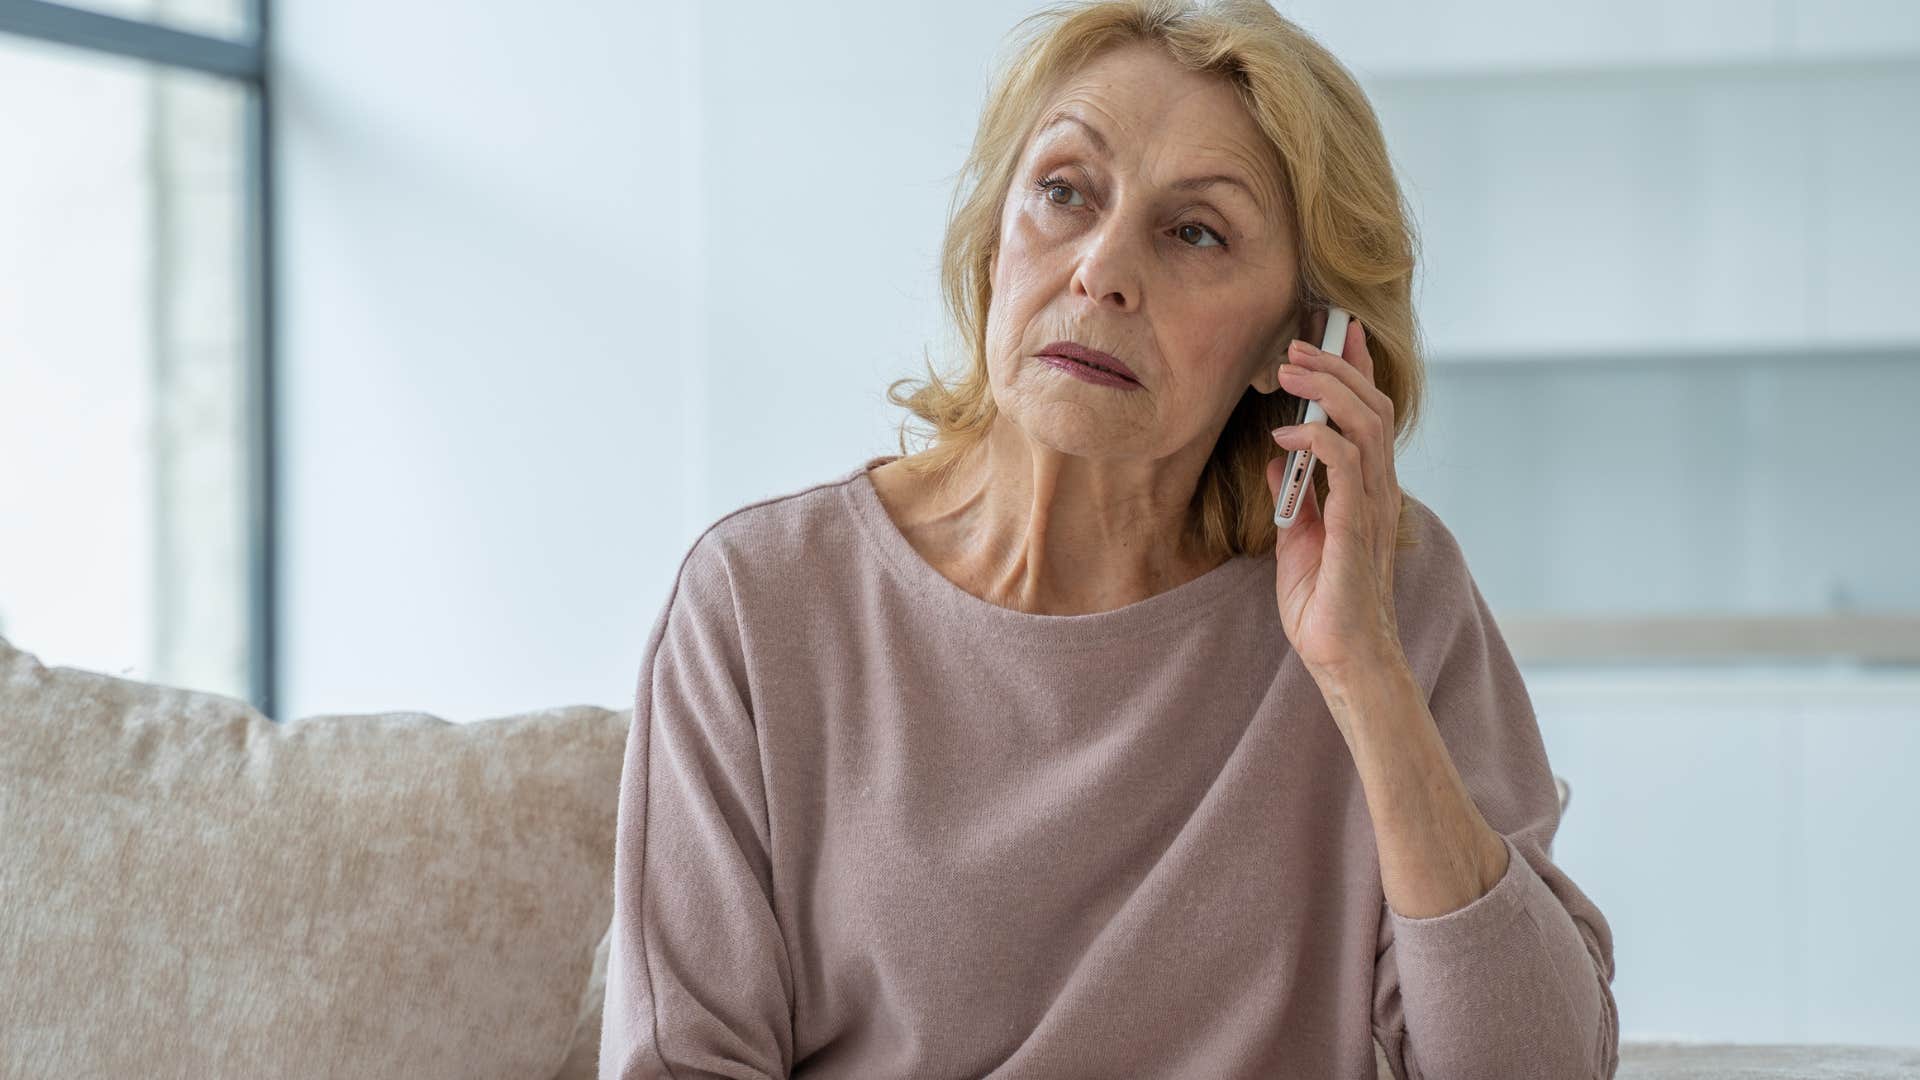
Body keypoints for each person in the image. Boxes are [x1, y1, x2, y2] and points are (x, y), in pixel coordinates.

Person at [601, 1, 1619, 1077]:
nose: (1100, 270)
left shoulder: (1386, 597)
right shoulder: (761, 604)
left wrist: (1365, 676)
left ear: (1301, 342)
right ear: (996, 240)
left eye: (1195, 232)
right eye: (1062, 192)